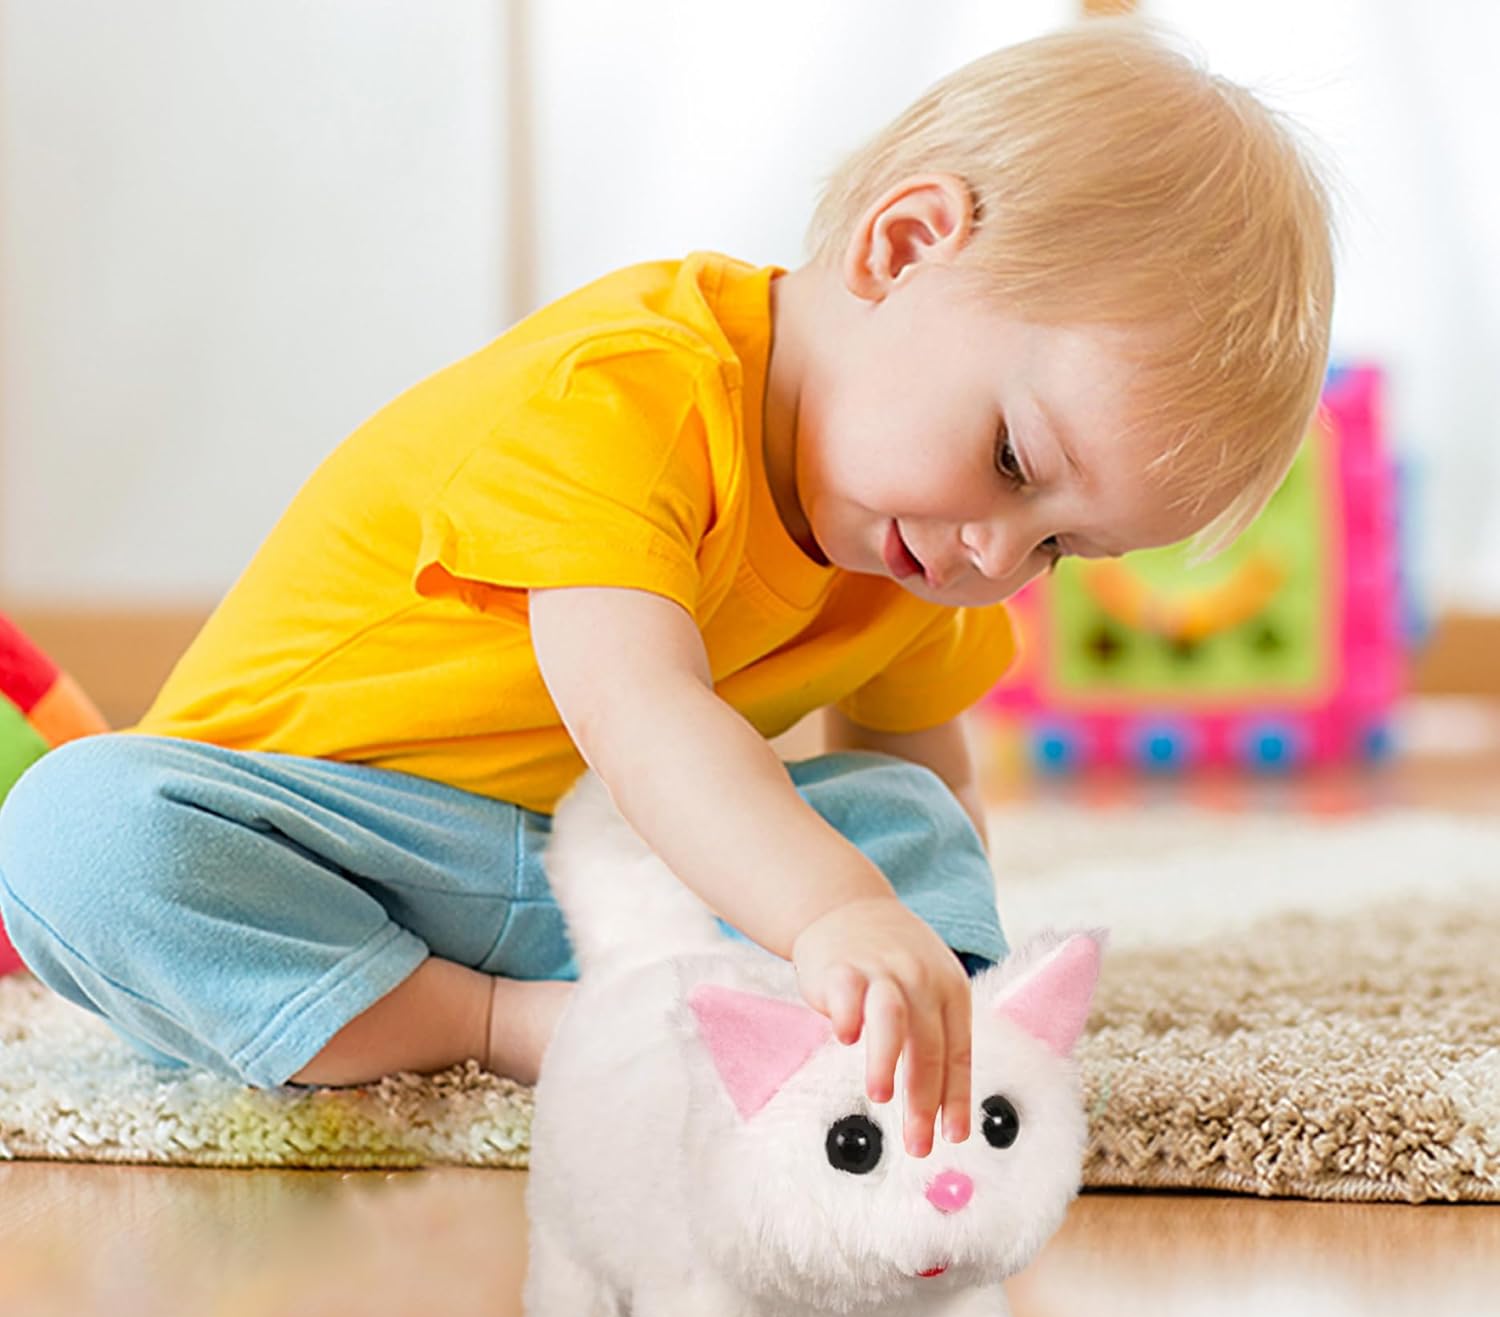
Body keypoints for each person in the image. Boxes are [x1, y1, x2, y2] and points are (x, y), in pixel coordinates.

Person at [0, 19, 1333, 1159]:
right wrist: (835, 913)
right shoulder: (625, 394)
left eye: (1060, 549)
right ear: (903, 246)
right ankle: (493, 1026)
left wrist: (917, 957)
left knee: (910, 820)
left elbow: (920, 780)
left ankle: (851, 1045)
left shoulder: (923, 549)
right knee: (75, 833)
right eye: (1013, 463)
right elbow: (640, 719)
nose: (999, 557)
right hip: (318, 852)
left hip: (591, 876)